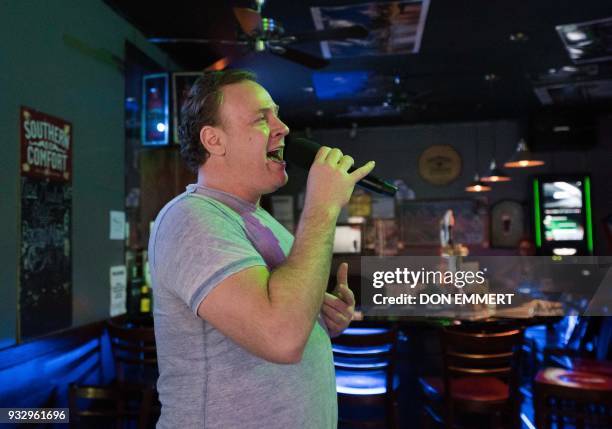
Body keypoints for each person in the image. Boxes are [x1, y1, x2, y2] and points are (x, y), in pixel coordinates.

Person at [148, 69, 375, 429]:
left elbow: (286, 320)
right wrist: (322, 207)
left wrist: (320, 317)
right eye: (261, 118)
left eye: (277, 113)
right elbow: (280, 338)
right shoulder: (190, 219)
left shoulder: (262, 221)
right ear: (213, 140)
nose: (282, 127)